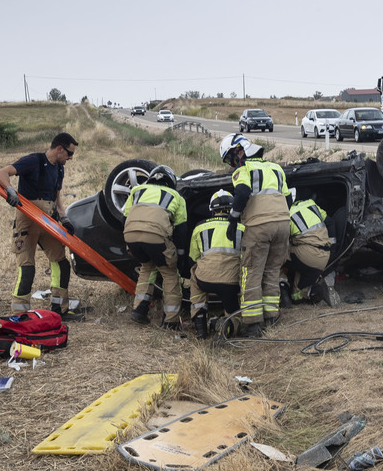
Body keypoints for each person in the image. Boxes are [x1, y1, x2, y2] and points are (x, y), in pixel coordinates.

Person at [0, 132, 83, 320]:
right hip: (27, 219)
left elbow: (56, 197)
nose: (71, 157)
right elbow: (1, 174)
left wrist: (64, 218)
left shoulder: (59, 168)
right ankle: (20, 314)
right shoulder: (33, 161)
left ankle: (59, 309)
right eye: (69, 153)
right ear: (59, 149)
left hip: (48, 220)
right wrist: (10, 190)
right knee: (27, 268)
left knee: (61, 263)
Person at [219, 133, 291, 337]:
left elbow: (242, 193)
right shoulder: (277, 169)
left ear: (239, 152)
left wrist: (233, 219)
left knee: (251, 273)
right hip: (282, 225)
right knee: (271, 272)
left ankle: (252, 324)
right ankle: (272, 317)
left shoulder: (244, 169)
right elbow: (288, 198)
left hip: (259, 226)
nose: (232, 165)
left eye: (231, 159)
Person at [122, 165, 189, 329]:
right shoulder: (176, 196)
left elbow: (125, 217)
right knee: (169, 272)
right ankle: (171, 320)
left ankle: (139, 310)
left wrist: (128, 242)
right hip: (156, 237)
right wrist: (180, 255)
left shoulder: (136, 191)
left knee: (146, 268)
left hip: (130, 236)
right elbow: (181, 230)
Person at [188, 189, 244, 339]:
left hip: (206, 280)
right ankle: (229, 325)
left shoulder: (199, 227)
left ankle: (200, 325)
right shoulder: (242, 228)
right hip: (233, 283)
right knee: (235, 307)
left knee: (195, 272)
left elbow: (194, 257)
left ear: (212, 211)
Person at [285, 193, 332, 303]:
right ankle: (315, 287)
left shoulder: (287, 214)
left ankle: (283, 287)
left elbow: (280, 241)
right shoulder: (311, 204)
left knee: (276, 255)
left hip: (308, 256)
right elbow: (330, 222)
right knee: (302, 277)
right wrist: (333, 248)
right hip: (324, 256)